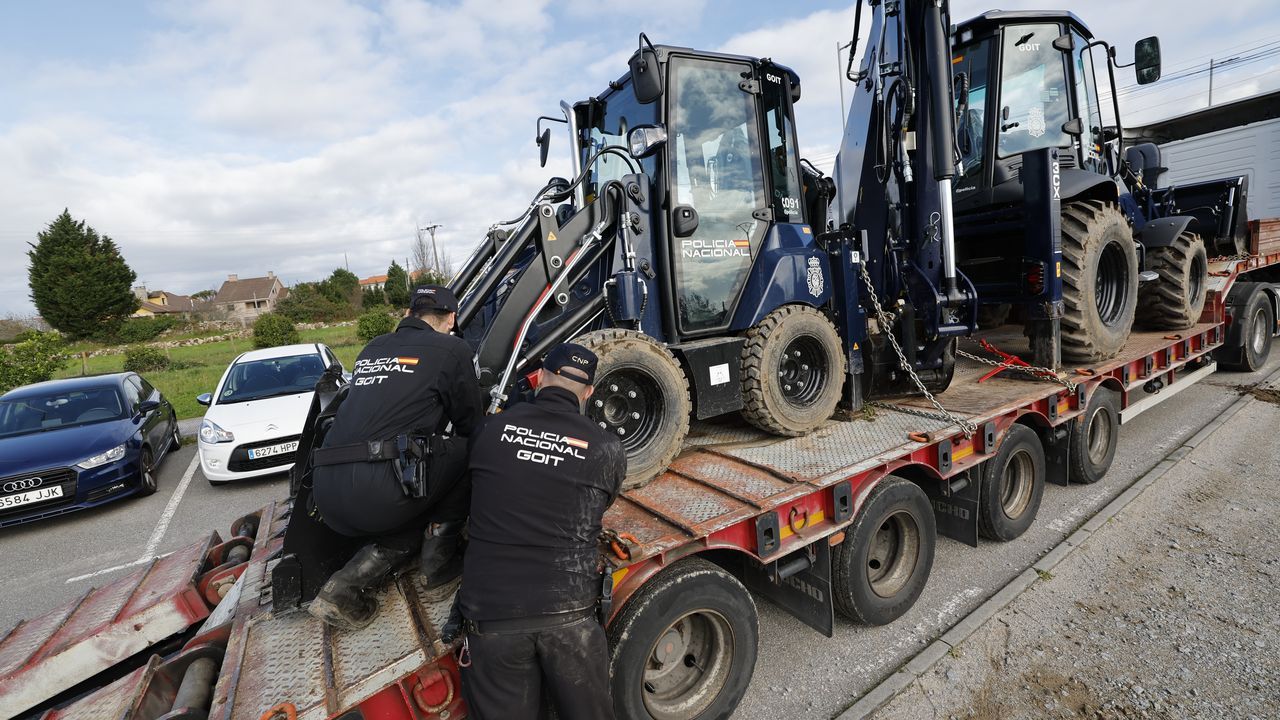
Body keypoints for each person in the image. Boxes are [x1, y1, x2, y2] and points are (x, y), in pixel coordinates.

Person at [458, 343, 626, 720]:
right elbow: (601, 502)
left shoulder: (489, 429)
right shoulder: (606, 448)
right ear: (588, 394)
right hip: (571, 617)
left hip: (493, 619)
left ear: (537, 379)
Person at [307, 284, 482, 630]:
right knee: (471, 450)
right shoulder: (451, 348)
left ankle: (343, 588)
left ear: (407, 315)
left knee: (405, 501)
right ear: (451, 319)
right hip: (379, 493)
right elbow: (470, 424)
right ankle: (437, 564)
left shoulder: (374, 347)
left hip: (326, 494)